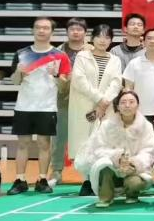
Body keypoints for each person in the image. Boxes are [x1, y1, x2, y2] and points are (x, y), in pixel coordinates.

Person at [7, 17, 73, 195]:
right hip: (24, 106)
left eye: (45, 28)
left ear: (52, 32)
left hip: (47, 106)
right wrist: (19, 72)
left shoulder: (60, 56)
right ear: (33, 30)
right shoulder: (21, 54)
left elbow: (64, 87)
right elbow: (15, 81)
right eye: (38, 27)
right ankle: (20, 180)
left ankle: (42, 179)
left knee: (44, 144)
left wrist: (56, 75)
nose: (41, 31)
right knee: (23, 143)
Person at [74, 90, 154, 208]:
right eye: (123, 102)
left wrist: (133, 163)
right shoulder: (106, 125)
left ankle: (132, 194)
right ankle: (106, 197)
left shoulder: (146, 126)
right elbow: (98, 149)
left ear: (138, 105)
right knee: (104, 166)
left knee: (134, 183)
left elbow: (148, 151)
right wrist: (118, 158)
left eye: (131, 102)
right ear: (117, 106)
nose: (127, 105)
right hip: (112, 169)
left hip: (134, 171)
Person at [69, 24, 123, 195]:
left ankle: (102, 180)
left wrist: (105, 102)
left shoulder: (115, 60)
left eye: (107, 37)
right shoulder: (82, 56)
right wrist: (100, 99)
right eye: (99, 36)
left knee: (103, 142)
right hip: (84, 106)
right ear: (92, 38)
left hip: (107, 108)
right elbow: (79, 80)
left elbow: (116, 82)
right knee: (84, 143)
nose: (102, 40)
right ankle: (87, 180)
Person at [50, 17, 89, 186]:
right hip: (62, 100)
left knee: (86, 139)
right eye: (72, 29)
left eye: (79, 29)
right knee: (59, 138)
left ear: (85, 33)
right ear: (67, 32)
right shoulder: (57, 52)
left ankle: (87, 172)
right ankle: (56, 171)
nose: (76, 32)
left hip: (86, 101)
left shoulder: (92, 51)